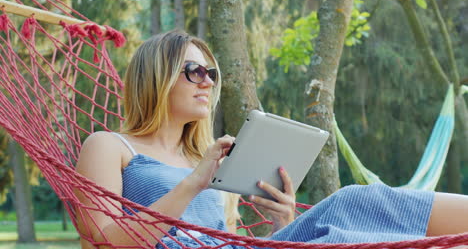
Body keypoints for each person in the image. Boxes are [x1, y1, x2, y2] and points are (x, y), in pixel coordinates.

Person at [76, 30, 468, 249]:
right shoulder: (109, 146)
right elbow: (104, 240)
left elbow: (223, 242)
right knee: (349, 213)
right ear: (156, 77)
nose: (208, 82)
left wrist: (283, 222)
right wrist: (194, 181)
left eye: (212, 73)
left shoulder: (202, 158)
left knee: (350, 214)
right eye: (194, 71)